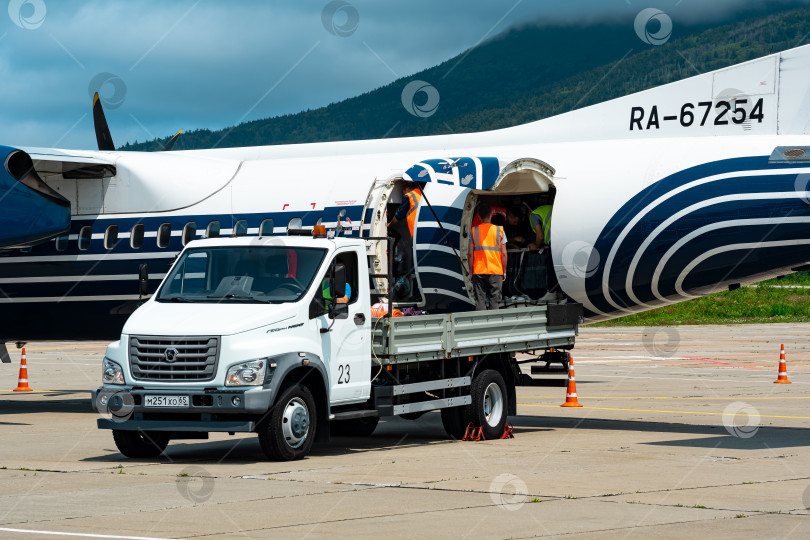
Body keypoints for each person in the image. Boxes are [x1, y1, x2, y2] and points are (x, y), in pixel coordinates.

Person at [468, 203, 507, 311]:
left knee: (480, 301)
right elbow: (504, 253)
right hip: (496, 271)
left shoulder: (473, 231)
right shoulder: (500, 230)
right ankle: (494, 325)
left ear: (479, 217)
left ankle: (481, 325)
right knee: (494, 301)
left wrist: (471, 272)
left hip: (478, 271)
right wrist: (504, 271)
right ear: (491, 215)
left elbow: (470, 254)